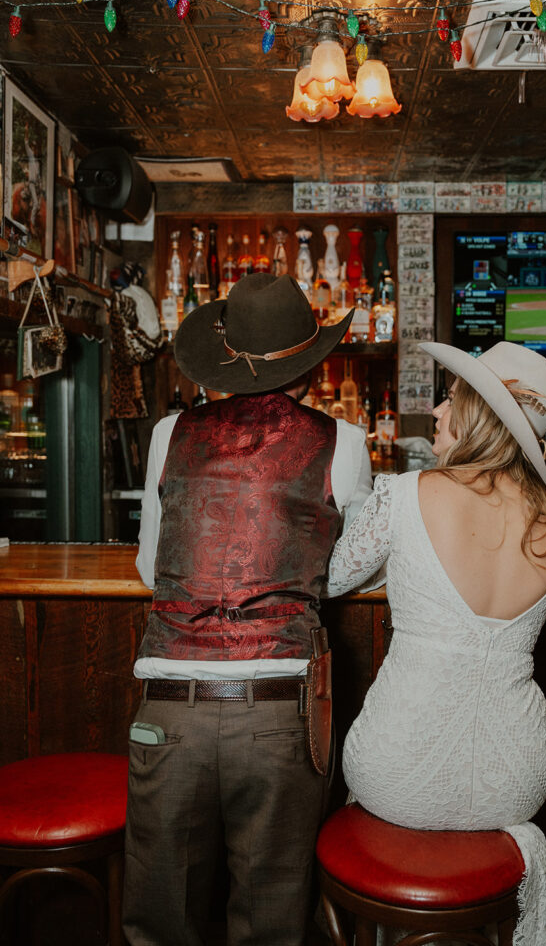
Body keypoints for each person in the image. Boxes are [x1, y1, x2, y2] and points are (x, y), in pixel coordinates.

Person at [123, 273, 374, 946]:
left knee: (159, 918)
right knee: (271, 916)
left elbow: (152, 568)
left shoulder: (170, 431)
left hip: (169, 706)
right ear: (308, 360)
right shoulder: (341, 441)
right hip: (276, 712)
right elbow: (346, 567)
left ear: (224, 356)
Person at [325, 341, 546, 946]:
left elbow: (332, 578)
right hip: (518, 777)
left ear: (479, 418)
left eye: (453, 399)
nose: (438, 412)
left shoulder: (406, 493)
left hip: (398, 769)